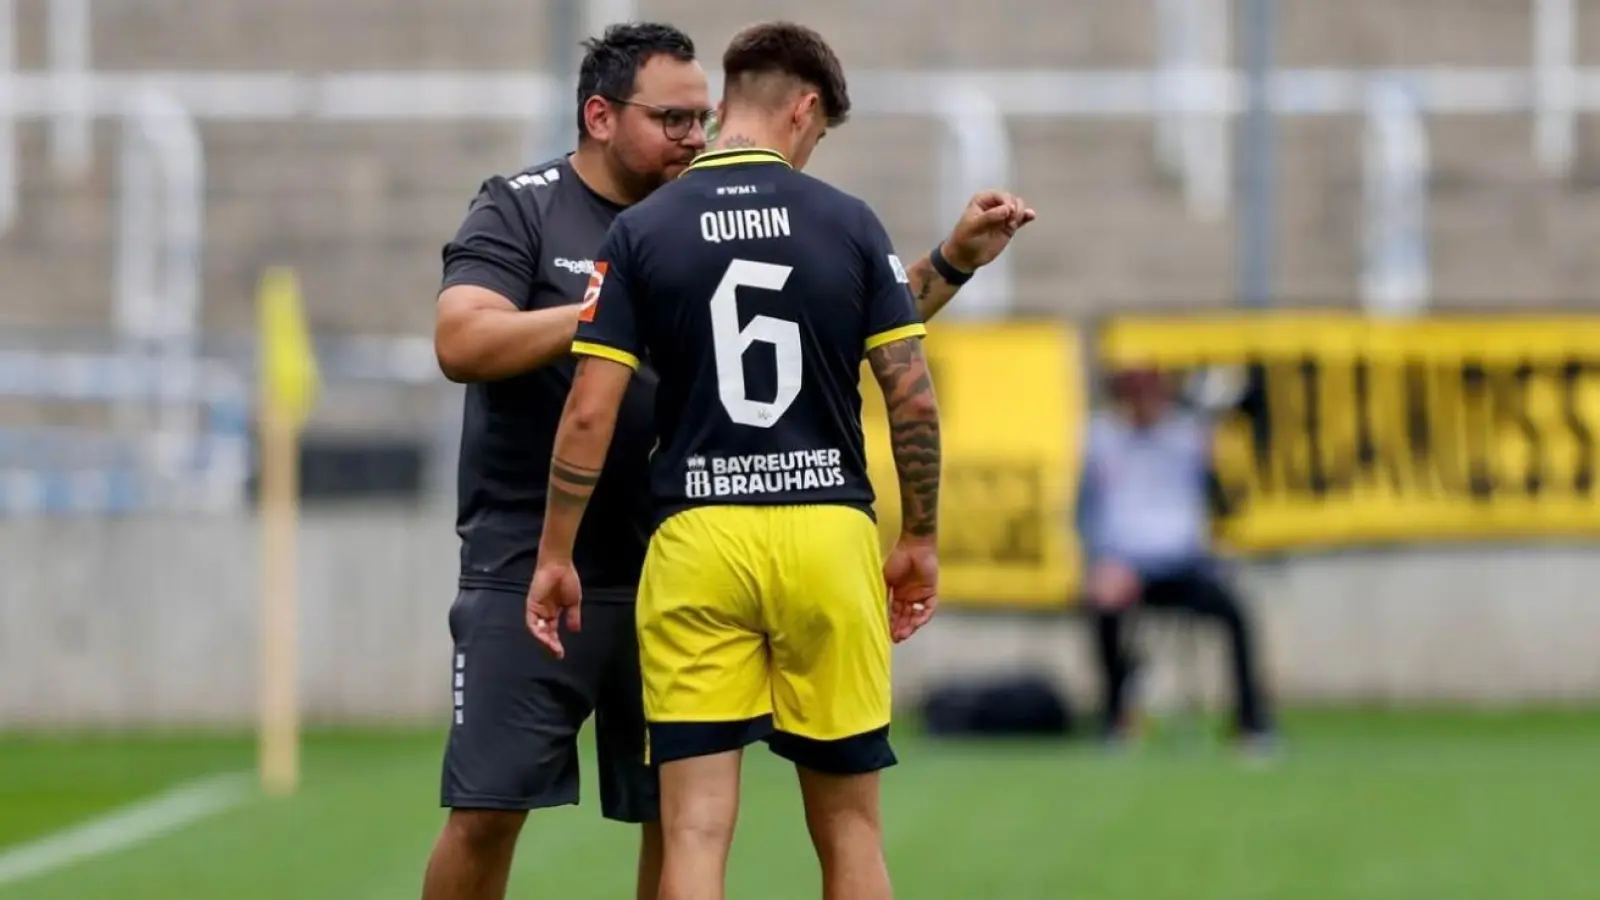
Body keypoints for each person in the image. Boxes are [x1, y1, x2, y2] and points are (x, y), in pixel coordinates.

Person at [425, 20, 1036, 900]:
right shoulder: (524, 205)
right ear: (599, 116)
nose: (693, 137)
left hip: (673, 551)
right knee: (488, 809)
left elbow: (808, 320)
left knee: (679, 825)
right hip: (536, 557)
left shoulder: (667, 228)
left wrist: (945, 265)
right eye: (671, 120)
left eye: (701, 118)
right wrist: (608, 314)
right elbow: (459, 338)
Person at [1076, 362, 1276, 750]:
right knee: (1104, 610)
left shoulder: (1188, 437)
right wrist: (1099, 563)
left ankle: (1251, 723)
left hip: (1183, 565)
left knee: (1235, 613)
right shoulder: (1102, 440)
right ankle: (1116, 718)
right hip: (1126, 567)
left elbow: (1217, 500)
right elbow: (1087, 512)